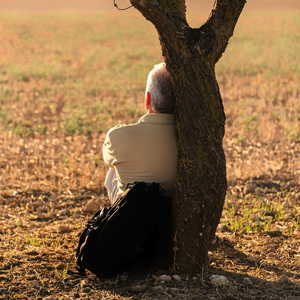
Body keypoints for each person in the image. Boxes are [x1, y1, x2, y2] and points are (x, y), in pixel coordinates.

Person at [103, 62, 177, 204]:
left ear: (148, 98)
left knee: (113, 168)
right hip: (171, 213)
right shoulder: (191, 139)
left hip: (131, 214)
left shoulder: (117, 136)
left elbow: (107, 160)